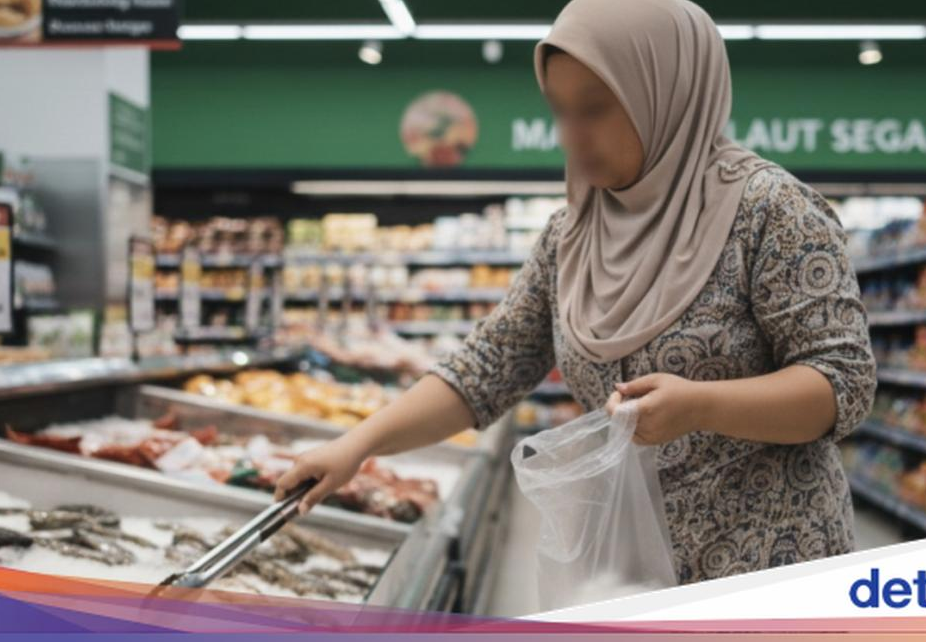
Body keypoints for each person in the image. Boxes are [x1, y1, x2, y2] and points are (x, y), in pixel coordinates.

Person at [277, 0, 876, 584]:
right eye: (559, 110)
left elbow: (843, 383)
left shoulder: (771, 211)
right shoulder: (573, 233)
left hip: (768, 572)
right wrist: (357, 446)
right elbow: (487, 367)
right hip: (627, 571)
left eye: (594, 109)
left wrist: (699, 405)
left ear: (663, 97)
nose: (570, 135)